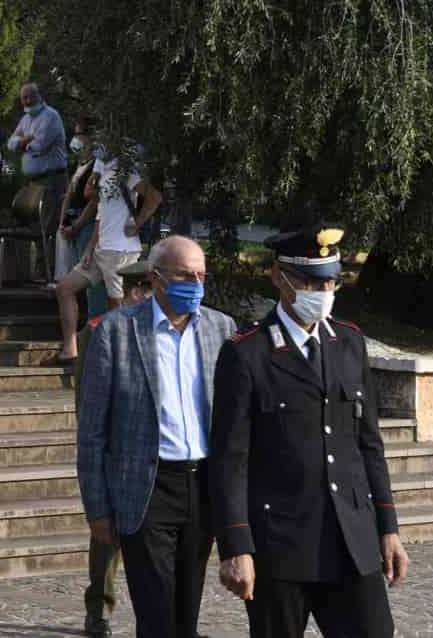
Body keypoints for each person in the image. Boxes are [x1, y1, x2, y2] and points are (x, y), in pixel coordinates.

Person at [211, 225, 407, 638]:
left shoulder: (349, 342)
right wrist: (236, 546)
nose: (324, 289)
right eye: (312, 281)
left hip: (351, 539)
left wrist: (388, 528)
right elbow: (230, 458)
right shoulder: (247, 352)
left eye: (331, 280)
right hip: (280, 544)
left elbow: (369, 444)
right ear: (279, 278)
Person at [76, 236, 236, 638]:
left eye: (201, 275)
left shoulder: (221, 329)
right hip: (146, 489)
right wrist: (97, 507)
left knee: (187, 612)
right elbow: (93, 428)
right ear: (156, 278)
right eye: (184, 275)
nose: (195, 284)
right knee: (156, 613)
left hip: (202, 485)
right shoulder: (116, 331)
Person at [72, 260, 153, 638]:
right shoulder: (100, 330)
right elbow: (88, 398)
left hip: (151, 453)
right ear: (135, 290)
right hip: (113, 450)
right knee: (106, 541)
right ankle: (98, 609)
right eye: (147, 290)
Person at [54, 148, 162, 365]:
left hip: (120, 251)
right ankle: (70, 348)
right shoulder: (103, 175)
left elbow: (155, 197)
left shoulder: (126, 173)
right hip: (101, 249)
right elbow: (101, 217)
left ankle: (121, 358)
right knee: (64, 288)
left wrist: (137, 223)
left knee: (117, 305)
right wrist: (89, 248)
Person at [8, 83, 68, 275]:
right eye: (24, 98)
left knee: (48, 227)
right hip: (34, 182)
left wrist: (22, 142)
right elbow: (10, 144)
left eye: (30, 96)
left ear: (39, 96)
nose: (27, 101)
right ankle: (39, 272)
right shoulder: (26, 119)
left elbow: (40, 145)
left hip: (52, 179)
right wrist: (25, 140)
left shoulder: (51, 116)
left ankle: (48, 274)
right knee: (36, 227)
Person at [58, 120, 106, 316]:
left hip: (86, 225)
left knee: (90, 277)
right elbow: (69, 194)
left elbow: (94, 203)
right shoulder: (80, 163)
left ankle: (94, 320)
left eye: (80, 134)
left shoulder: (98, 165)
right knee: (77, 275)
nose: (76, 139)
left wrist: (76, 226)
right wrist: (63, 223)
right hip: (73, 224)